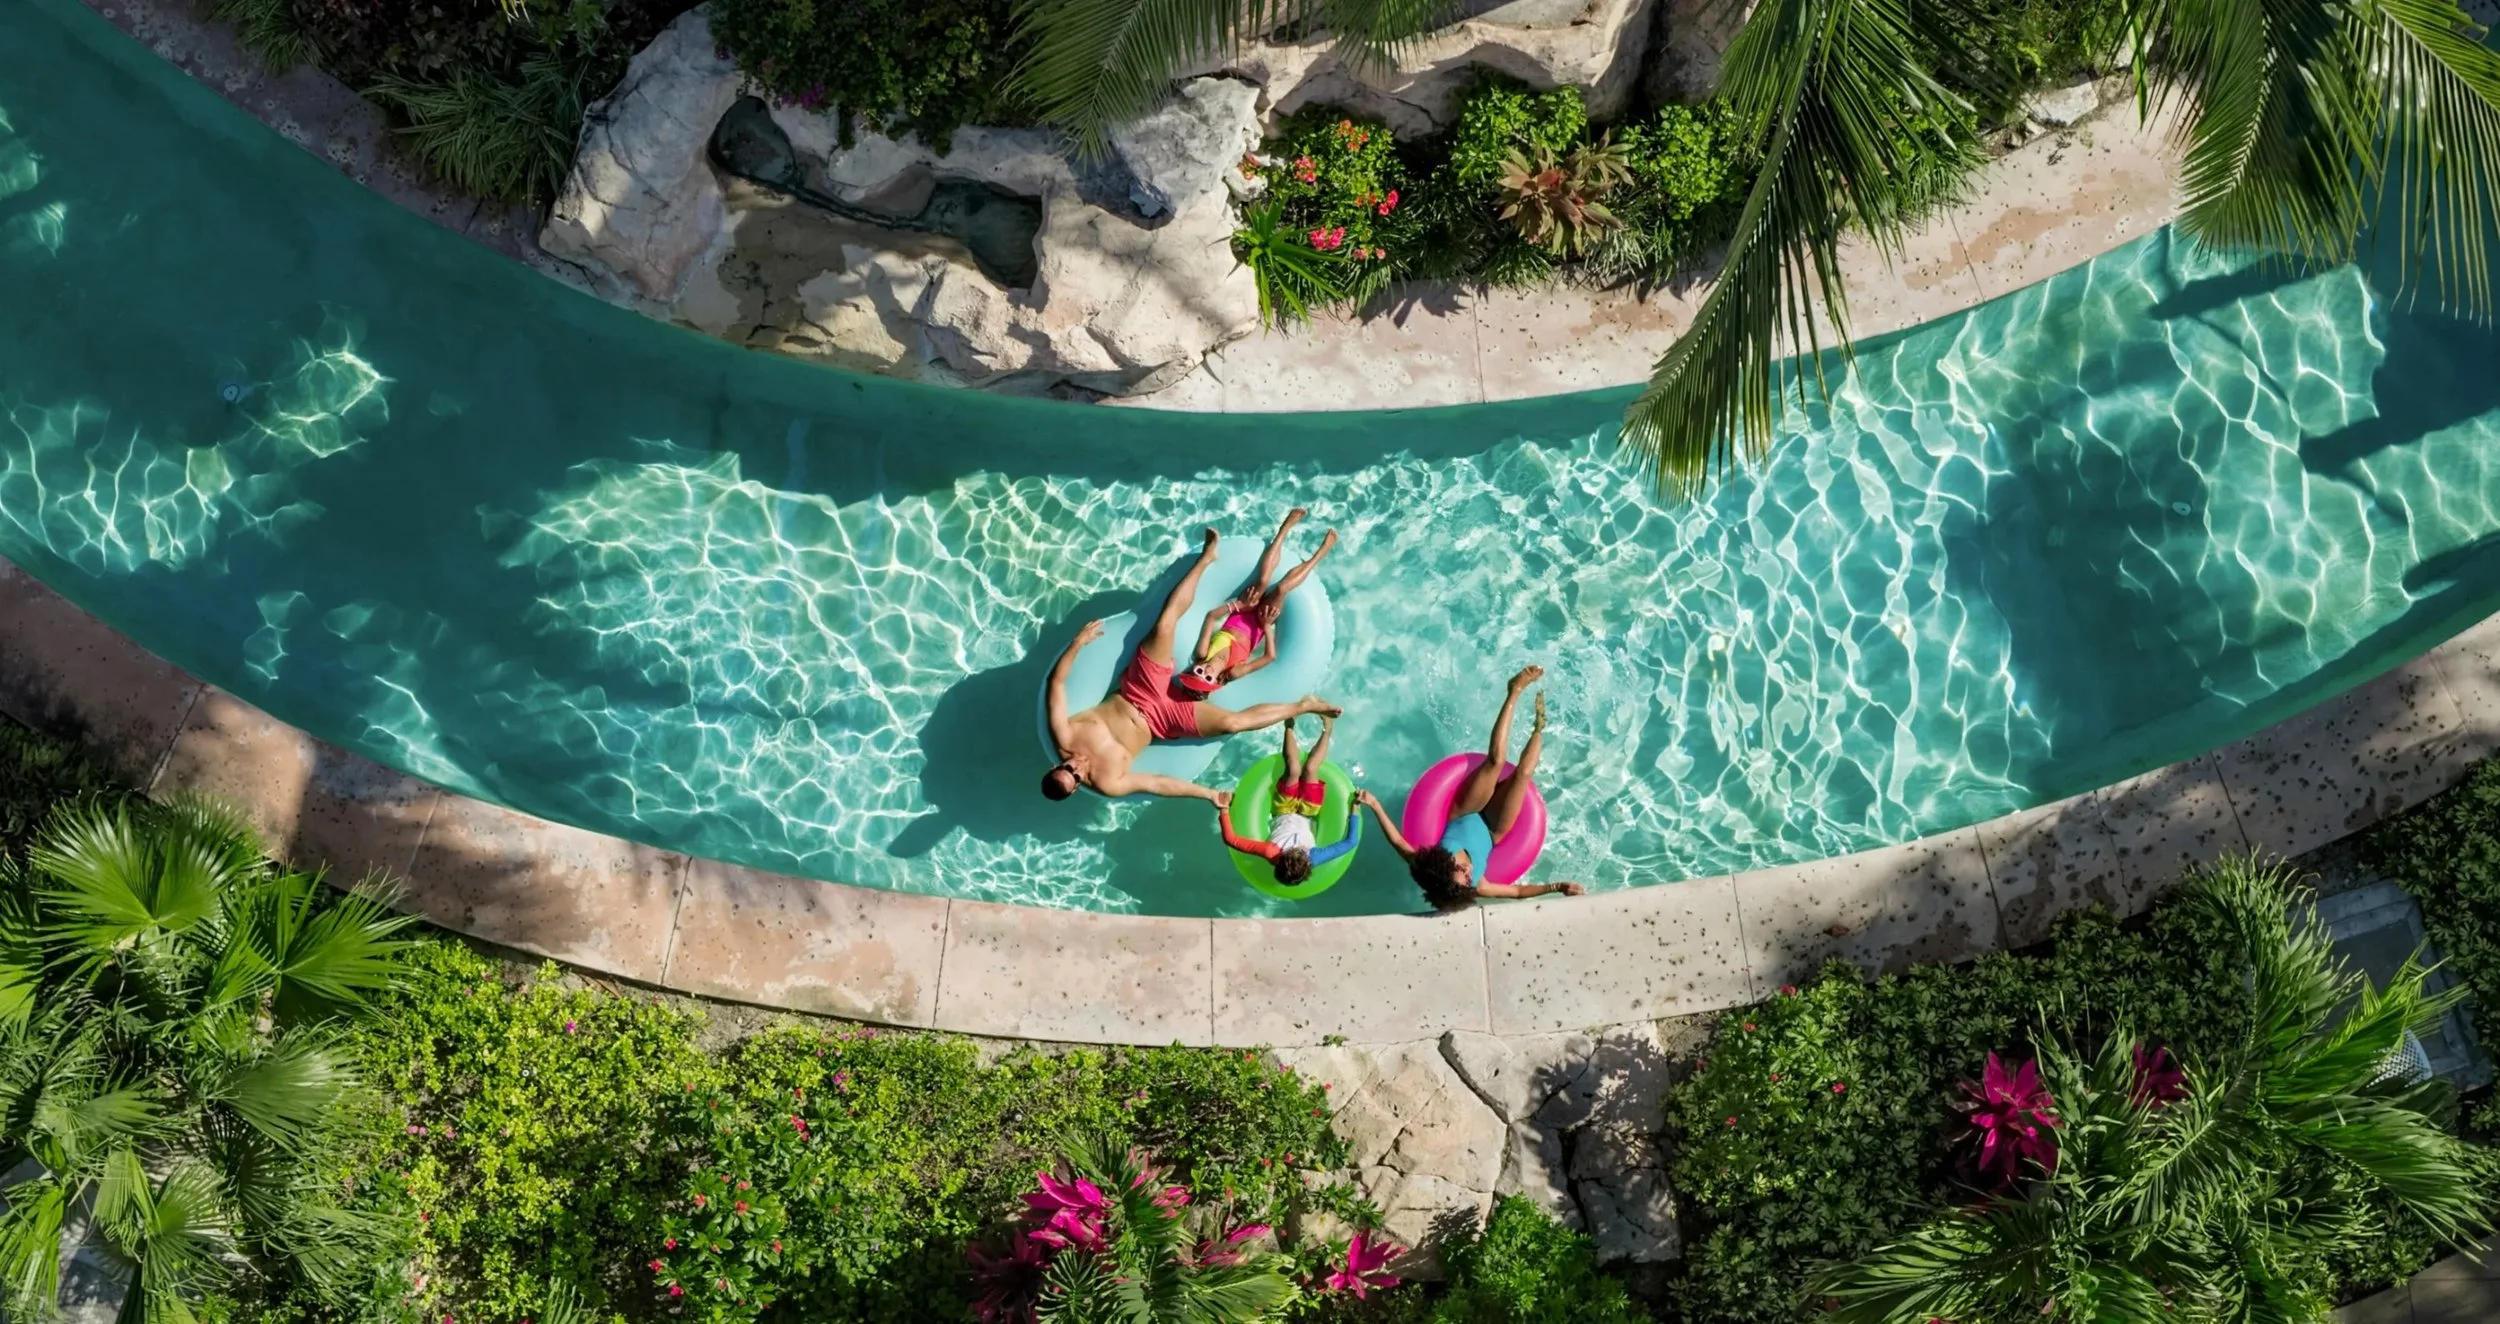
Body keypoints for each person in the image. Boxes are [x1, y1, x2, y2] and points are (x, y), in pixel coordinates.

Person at [1043, 528, 1342, 802]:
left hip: (1138, 689)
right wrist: (1208, 794)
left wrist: (1078, 643)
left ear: (1058, 764)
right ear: (1079, 785)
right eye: (1077, 775)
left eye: (1068, 767)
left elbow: (1056, 683)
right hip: (1163, 720)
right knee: (1232, 724)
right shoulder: (1108, 782)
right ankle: (1304, 706)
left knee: (1164, 625)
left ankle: (1206, 558)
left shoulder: (1065, 735)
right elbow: (1158, 783)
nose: (1078, 766)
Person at [1359, 665, 1586, 910]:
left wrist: (1374, 805)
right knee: (1524, 774)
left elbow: (1398, 843)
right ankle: (1540, 725)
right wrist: (1557, 887)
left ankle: (1514, 690)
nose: (1468, 871)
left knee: (1496, 761)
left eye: (1460, 871)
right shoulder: (1478, 885)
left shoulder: (1429, 862)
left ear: (1445, 870)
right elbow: (1518, 891)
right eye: (1468, 879)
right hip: (1493, 830)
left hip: (1465, 811)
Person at [1176, 507, 1337, 699]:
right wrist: (1267, 626)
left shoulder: (1202, 653)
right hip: (1261, 623)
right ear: (1217, 681)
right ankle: (1319, 555)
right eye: (1208, 677)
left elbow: (1210, 617)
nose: (1205, 670)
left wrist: (1238, 605)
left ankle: (1284, 530)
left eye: (1199, 672)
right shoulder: (1233, 672)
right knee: (1281, 588)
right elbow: (1269, 657)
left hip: (1242, 610)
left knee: (1262, 581)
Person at [1217, 714, 1361, 887]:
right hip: (1309, 811)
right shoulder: (1313, 857)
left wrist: (1224, 809)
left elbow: (1231, 840)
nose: (1300, 849)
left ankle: (1289, 726)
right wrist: (1354, 810)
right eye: (1301, 852)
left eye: (1295, 851)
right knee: (1310, 768)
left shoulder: (1271, 852)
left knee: (1293, 769)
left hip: (1283, 808)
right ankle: (1327, 730)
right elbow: (1350, 842)